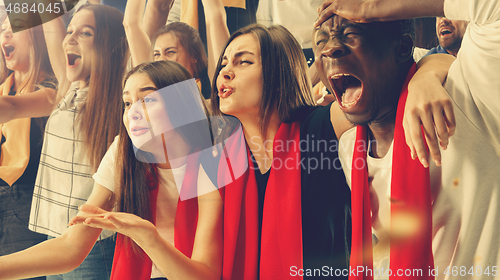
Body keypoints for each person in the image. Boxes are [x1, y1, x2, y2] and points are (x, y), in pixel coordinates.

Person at [315, 0, 500, 278]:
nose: (329, 48)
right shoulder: (350, 147)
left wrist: (374, 6)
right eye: (320, 41)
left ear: (403, 48)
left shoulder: (465, 95)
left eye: (351, 34)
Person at [0, 60, 223, 280]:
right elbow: (71, 247)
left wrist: (148, 237)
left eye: (147, 99)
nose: (133, 112)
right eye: (127, 103)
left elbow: (205, 275)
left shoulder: (213, 159)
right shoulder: (122, 151)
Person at [211, 23, 353, 279]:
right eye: (223, 64)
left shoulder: (321, 126)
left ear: (279, 75)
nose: (225, 73)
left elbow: (388, 92)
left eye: (243, 62)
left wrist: (430, 72)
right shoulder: (223, 158)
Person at [25, 4, 128, 279]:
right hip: (55, 236)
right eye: (69, 30)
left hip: (94, 244)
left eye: (85, 33)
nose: (69, 38)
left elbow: (143, 25)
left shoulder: (119, 97)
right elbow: (49, 20)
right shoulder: (68, 91)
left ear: (107, 45)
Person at [0, 11, 56, 280]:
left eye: (14, 28)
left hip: (29, 207)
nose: (5, 34)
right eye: (2, 30)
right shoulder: (3, 89)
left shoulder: (54, 89)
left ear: (38, 36)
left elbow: (10, 109)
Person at [123, 0, 229, 99]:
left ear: (194, 56)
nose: (161, 60)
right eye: (156, 54)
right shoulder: (151, 86)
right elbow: (131, 24)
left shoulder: (214, 92)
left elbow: (216, 17)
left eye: (170, 52)